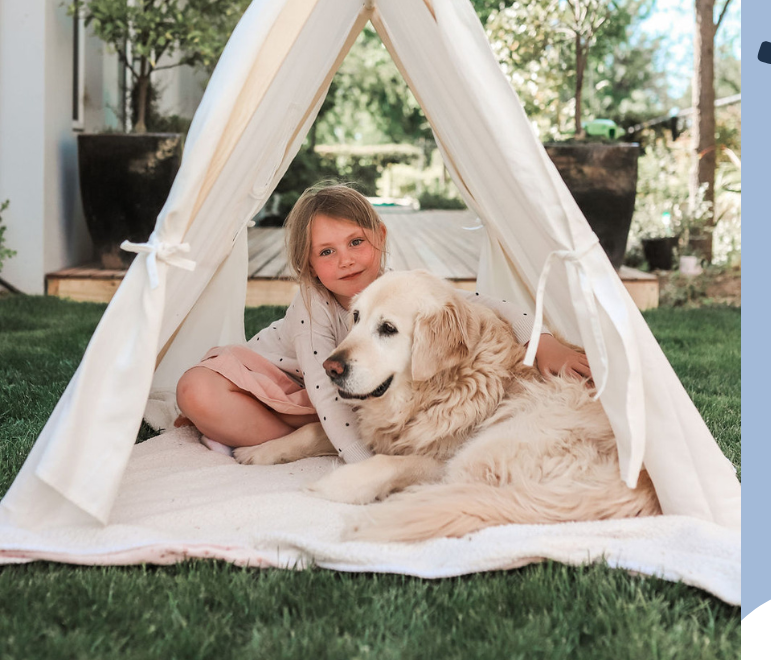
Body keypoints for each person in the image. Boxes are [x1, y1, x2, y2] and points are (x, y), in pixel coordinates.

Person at [174, 181, 591, 457]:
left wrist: (543, 342)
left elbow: (486, 302)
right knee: (195, 390)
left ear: (381, 237)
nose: (346, 259)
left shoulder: (399, 290)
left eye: (356, 242)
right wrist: (360, 459)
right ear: (308, 263)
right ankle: (312, 438)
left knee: (365, 405)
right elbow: (322, 386)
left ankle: (305, 435)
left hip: (350, 393)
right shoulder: (311, 305)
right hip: (289, 381)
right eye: (326, 252)